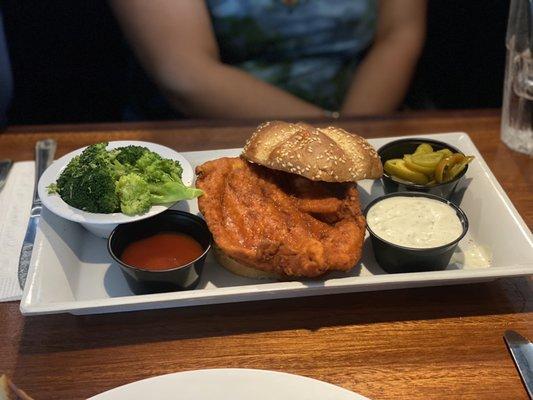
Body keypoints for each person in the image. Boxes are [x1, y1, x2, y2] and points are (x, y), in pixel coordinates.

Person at [111, 0, 426, 120]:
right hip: (206, 128)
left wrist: (356, 133)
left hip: (366, 113)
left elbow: (398, 33)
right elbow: (186, 73)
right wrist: (330, 136)